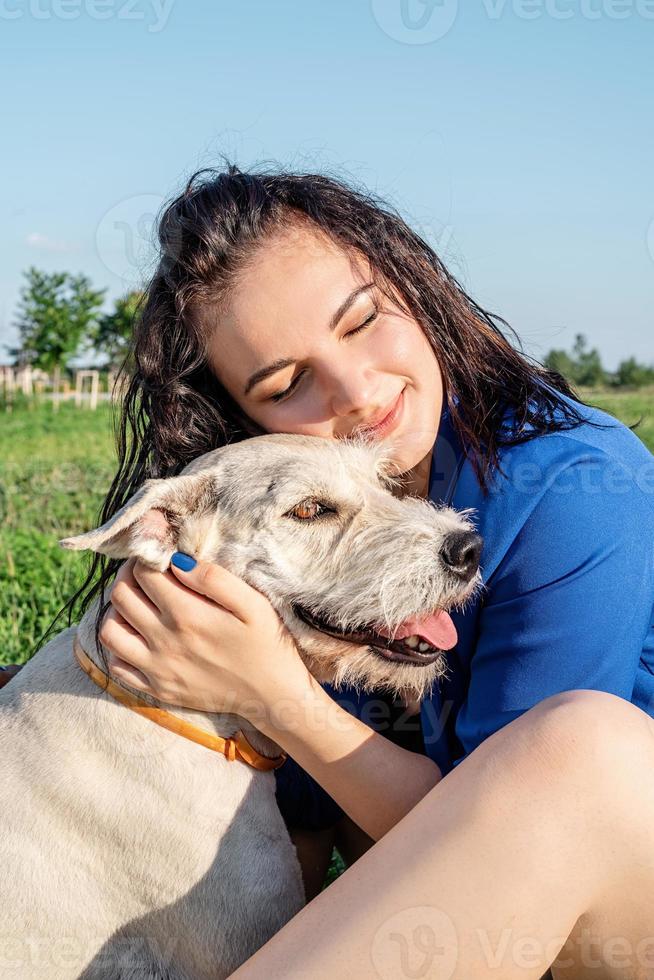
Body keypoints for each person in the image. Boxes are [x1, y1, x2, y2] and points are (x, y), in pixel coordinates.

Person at [7, 163, 654, 977]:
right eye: (286, 384)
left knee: (577, 748)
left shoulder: (574, 488)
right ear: (252, 422)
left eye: (361, 321)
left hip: (612, 896)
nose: (357, 391)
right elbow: (311, 816)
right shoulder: (309, 580)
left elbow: (522, 833)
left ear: (413, 285)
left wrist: (271, 695)